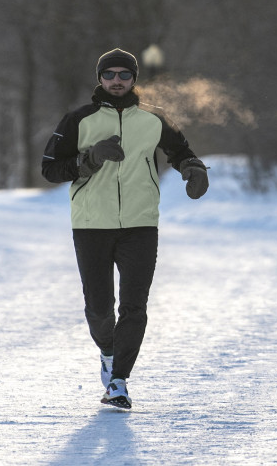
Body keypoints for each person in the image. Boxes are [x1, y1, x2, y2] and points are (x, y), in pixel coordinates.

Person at [41, 48, 209, 409]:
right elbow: (51, 169)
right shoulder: (79, 119)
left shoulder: (154, 118)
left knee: (134, 307)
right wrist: (89, 159)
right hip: (91, 223)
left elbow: (181, 151)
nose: (116, 81)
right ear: (99, 78)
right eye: (109, 74)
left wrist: (193, 169)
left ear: (134, 79)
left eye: (124, 75)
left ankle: (118, 381)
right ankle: (107, 350)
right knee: (100, 308)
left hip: (140, 223)